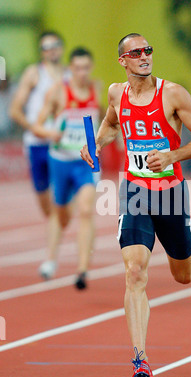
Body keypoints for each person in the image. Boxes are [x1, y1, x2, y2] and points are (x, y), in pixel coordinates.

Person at [80, 33, 191, 377]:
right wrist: (94, 144)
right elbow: (112, 124)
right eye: (136, 52)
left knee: (182, 275)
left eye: (148, 51)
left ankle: (187, 234)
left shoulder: (172, 94)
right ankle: (140, 359)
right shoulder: (116, 93)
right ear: (123, 60)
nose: (145, 56)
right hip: (135, 192)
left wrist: (172, 155)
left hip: (171, 195)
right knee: (135, 272)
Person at [33, 47, 104, 289]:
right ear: (70, 69)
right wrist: (52, 133)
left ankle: (82, 270)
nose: (82, 72)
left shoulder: (97, 88)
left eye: (86, 67)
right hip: (61, 160)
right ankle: (51, 258)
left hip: (87, 161)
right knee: (60, 213)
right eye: (78, 68)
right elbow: (38, 126)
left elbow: (102, 115)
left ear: (91, 68)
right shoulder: (58, 92)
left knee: (85, 210)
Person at [9, 31, 67, 280]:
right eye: (46, 47)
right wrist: (35, 129)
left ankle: (50, 258)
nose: (52, 50)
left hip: (61, 146)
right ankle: (58, 224)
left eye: (55, 46)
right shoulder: (35, 73)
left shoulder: (70, 75)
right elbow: (14, 110)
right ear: (41, 52)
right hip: (36, 144)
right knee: (47, 206)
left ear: (62, 48)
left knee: (57, 206)